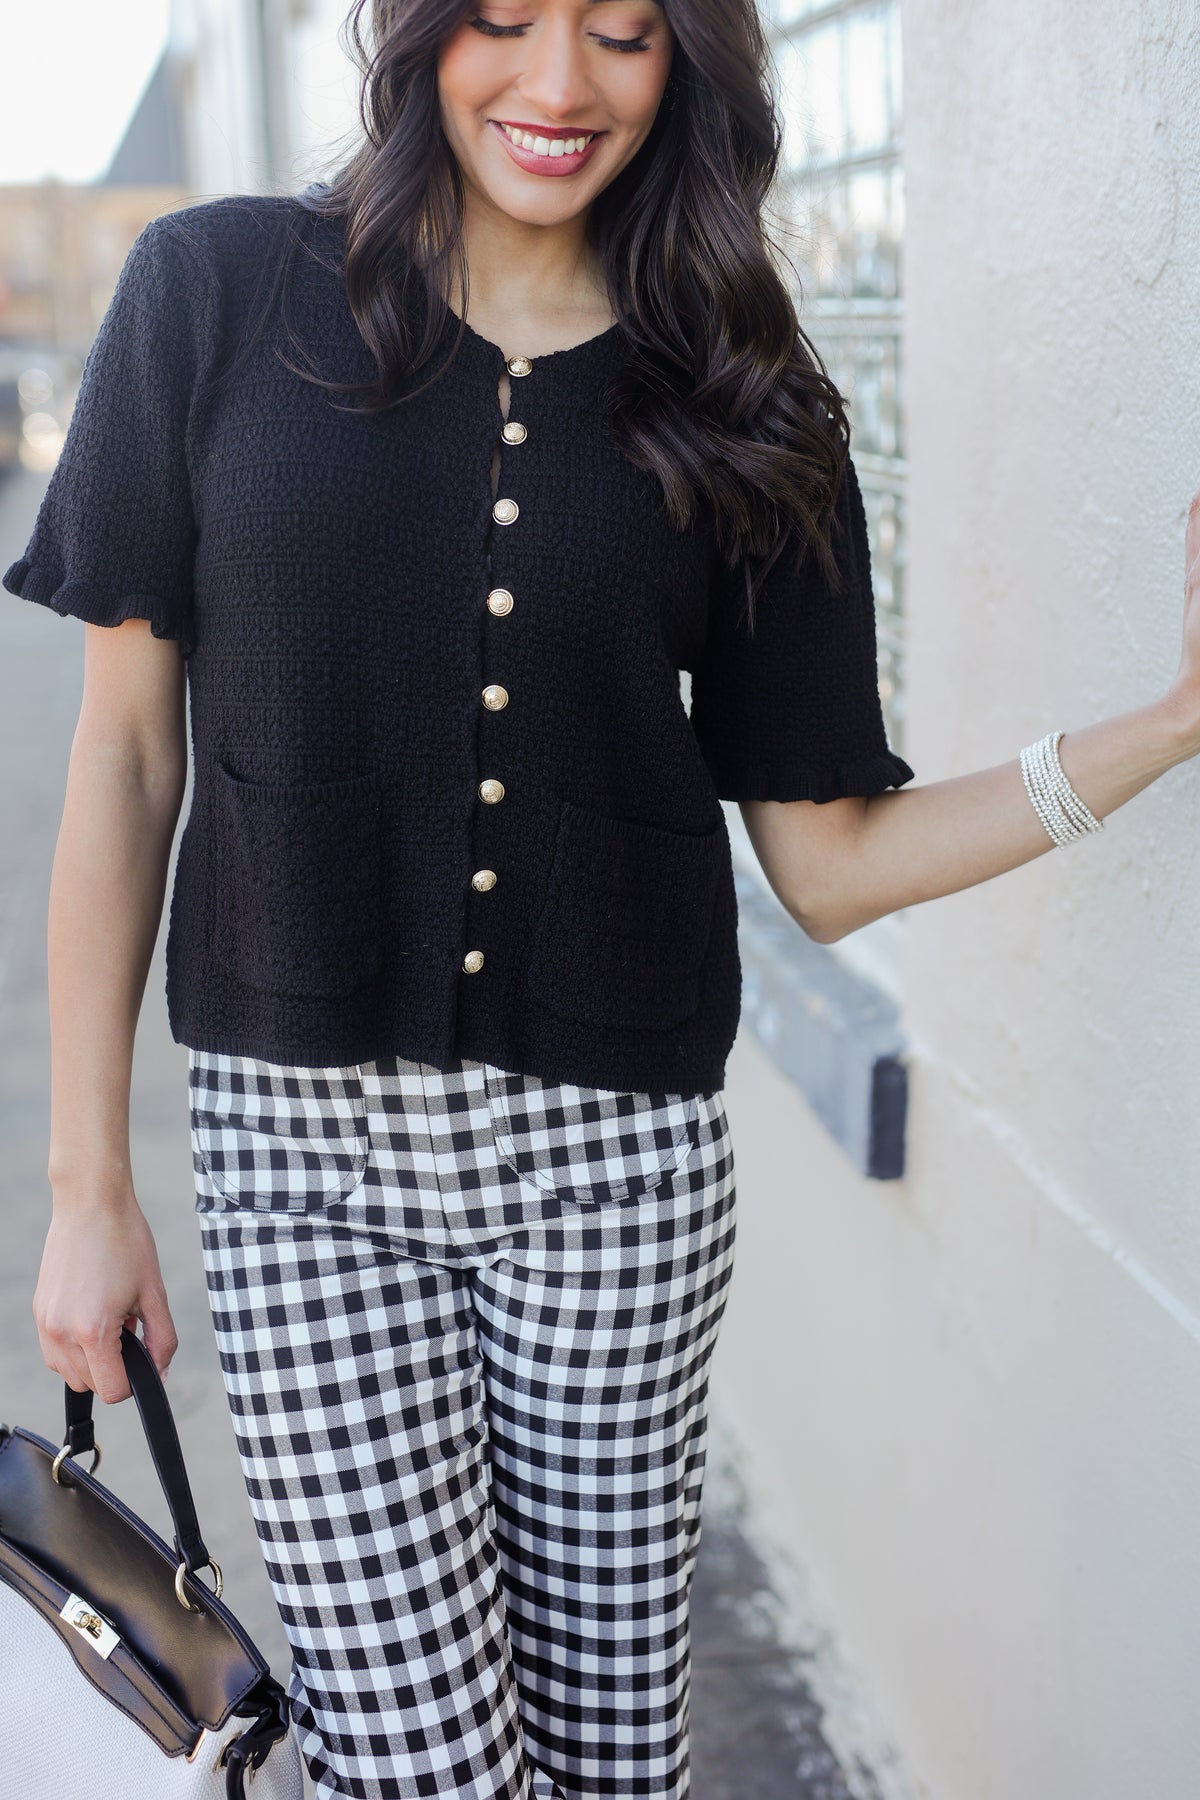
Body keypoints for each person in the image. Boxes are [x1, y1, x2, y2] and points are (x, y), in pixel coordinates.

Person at [4, 1, 1198, 1797]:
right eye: (503, 19)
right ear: (416, 33)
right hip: (302, 1167)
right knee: (423, 1768)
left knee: (614, 1759)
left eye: (625, 34)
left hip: (619, 1182)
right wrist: (88, 1186)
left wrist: (1170, 728)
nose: (558, 87)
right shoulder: (212, 292)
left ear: (687, 63)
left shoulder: (742, 378)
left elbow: (828, 857)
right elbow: (124, 766)